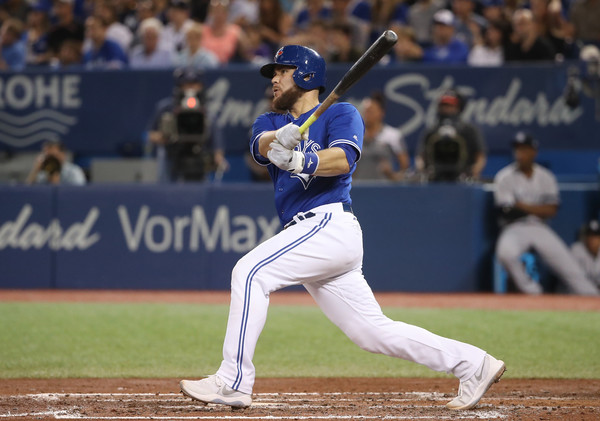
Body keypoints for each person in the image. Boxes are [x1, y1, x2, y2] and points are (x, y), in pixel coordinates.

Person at [179, 44, 506, 411]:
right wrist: (282, 139)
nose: (273, 78)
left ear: (305, 75)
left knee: (250, 272)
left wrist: (302, 158)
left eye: (281, 71)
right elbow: (261, 146)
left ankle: (233, 381)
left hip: (330, 224)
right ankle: (474, 364)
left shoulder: (342, 113)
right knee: (371, 332)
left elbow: (342, 160)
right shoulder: (268, 120)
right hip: (309, 233)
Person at [493, 131, 599, 295]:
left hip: (539, 227)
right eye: (518, 149)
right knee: (506, 254)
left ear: (534, 151)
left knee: (569, 266)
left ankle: (591, 296)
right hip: (514, 228)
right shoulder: (503, 177)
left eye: (525, 149)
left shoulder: (546, 177)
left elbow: (552, 210)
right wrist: (537, 208)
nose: (520, 153)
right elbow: (507, 212)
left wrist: (521, 205)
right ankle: (533, 293)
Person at [146, 67, 226, 182]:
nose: (191, 89)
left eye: (194, 84)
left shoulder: (208, 114)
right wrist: (165, 136)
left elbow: (217, 145)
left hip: (198, 153)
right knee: (162, 154)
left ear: (201, 86)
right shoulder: (166, 108)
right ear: (179, 87)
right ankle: (164, 191)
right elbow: (150, 134)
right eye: (187, 84)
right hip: (172, 154)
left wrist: (218, 159)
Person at [415, 89, 486, 182]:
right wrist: (422, 171)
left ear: (458, 108)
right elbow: (421, 156)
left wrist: (474, 172)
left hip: (462, 178)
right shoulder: (431, 131)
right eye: (443, 105)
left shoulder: (468, 130)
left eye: (449, 106)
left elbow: (480, 156)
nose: (445, 109)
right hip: (435, 179)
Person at [354, 91, 410, 181]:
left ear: (381, 113)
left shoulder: (393, 136)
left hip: (384, 190)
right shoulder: (356, 135)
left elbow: (405, 167)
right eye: (365, 111)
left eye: (371, 111)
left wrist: (392, 175)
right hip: (359, 188)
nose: (367, 115)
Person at [570, 220, 600, 289]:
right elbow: (575, 279)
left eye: (596, 236)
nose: (593, 239)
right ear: (585, 237)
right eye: (590, 235)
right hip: (575, 293)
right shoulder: (576, 250)